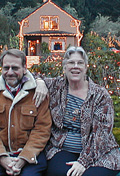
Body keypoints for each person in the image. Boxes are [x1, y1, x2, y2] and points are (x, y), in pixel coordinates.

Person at [36, 46, 120, 176]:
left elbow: (101, 136)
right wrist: (40, 82)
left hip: (99, 152)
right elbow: (26, 73)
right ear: (64, 67)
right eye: (71, 63)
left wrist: (83, 162)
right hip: (62, 148)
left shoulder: (100, 95)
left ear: (85, 67)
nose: (75, 66)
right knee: (60, 173)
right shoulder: (56, 86)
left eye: (80, 63)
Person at [0, 48, 52, 176]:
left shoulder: (38, 93)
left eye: (15, 68)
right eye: (6, 68)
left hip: (30, 156)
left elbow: (42, 129)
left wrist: (23, 158)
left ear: (24, 68)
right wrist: (2, 158)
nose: (10, 72)